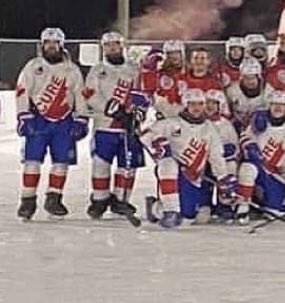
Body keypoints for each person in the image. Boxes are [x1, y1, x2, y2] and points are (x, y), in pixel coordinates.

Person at [15, 27, 88, 220]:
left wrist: (82, 118)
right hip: (38, 120)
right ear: (42, 45)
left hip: (64, 122)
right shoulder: (32, 66)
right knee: (32, 162)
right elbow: (22, 91)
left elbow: (80, 94)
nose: (51, 46)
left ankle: (54, 198)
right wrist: (23, 115)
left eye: (55, 43)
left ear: (61, 45)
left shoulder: (72, 70)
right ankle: (27, 200)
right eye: (47, 43)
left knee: (61, 162)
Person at [140, 88, 236, 228]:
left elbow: (216, 156)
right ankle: (170, 211)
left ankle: (155, 208)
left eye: (200, 104)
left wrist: (222, 177)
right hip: (171, 172)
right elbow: (145, 135)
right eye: (192, 104)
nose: (196, 108)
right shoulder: (172, 123)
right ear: (186, 105)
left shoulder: (209, 129)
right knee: (169, 164)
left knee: (190, 217)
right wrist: (157, 145)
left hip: (192, 176)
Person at [83, 31, 146, 220]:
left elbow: (142, 95)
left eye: (115, 44)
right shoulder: (97, 70)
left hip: (129, 127)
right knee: (101, 163)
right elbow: (90, 94)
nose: (112, 48)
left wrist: (136, 114)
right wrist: (112, 110)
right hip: (105, 126)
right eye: (108, 45)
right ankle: (99, 200)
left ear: (122, 46)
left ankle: (121, 200)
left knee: (128, 165)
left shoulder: (134, 70)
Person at [234, 90, 285, 224]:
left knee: (275, 214)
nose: (278, 108)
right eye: (274, 104)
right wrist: (250, 147)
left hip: (278, 175)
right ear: (269, 106)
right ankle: (243, 207)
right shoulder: (259, 122)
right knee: (246, 168)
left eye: (281, 105)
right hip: (259, 168)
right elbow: (244, 137)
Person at [202, 89, 240, 222]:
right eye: (207, 102)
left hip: (220, 164)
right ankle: (203, 203)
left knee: (230, 166)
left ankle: (225, 205)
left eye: (214, 103)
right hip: (201, 165)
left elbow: (235, 147)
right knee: (202, 215)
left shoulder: (226, 125)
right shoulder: (197, 122)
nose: (210, 106)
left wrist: (230, 150)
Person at [147, 40, 187, 119]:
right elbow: (151, 95)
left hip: (184, 114)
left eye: (177, 53)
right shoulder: (158, 74)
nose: (174, 56)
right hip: (163, 114)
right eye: (170, 53)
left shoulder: (189, 73)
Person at [226, 59, 267, 131]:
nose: (250, 81)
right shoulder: (231, 91)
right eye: (247, 78)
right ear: (241, 78)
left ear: (259, 77)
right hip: (237, 127)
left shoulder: (268, 91)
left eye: (253, 78)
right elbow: (226, 113)